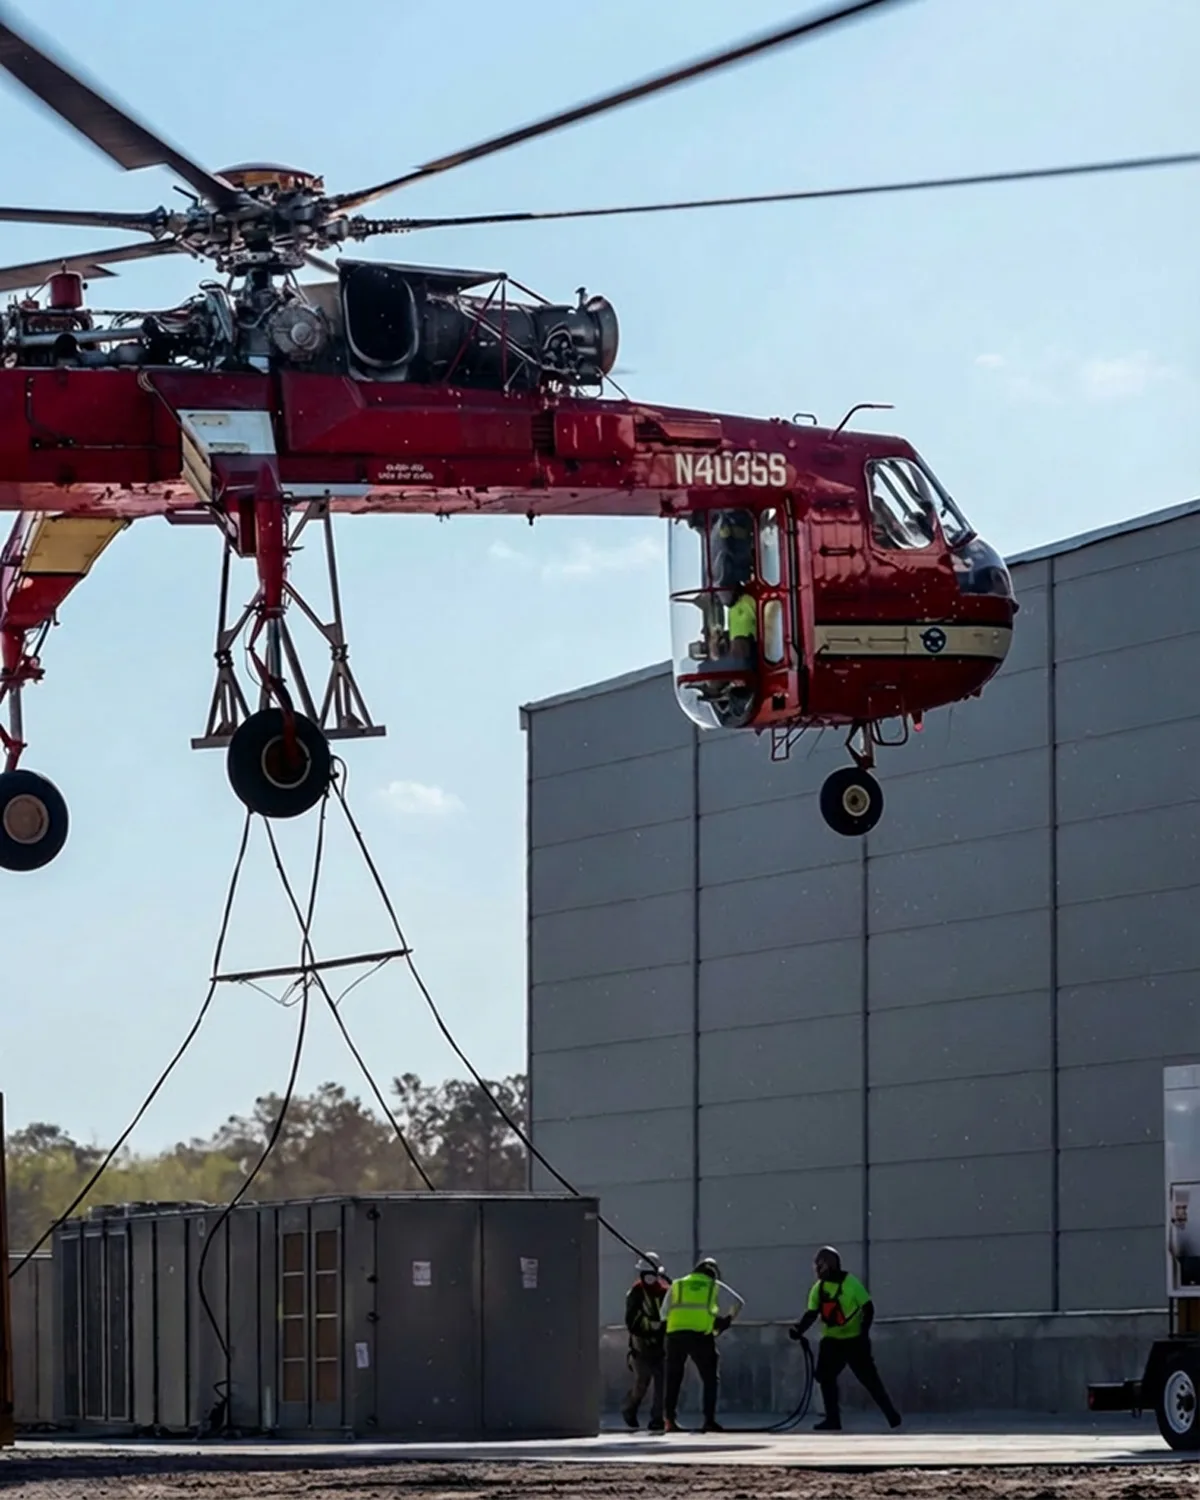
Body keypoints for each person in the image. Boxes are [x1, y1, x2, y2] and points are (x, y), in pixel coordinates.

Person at [789, 1246, 901, 1432]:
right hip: (832, 1341)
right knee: (825, 1378)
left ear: (830, 1264)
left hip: (854, 1341)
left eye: (820, 1265)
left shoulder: (851, 1284)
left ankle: (892, 1416)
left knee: (870, 1380)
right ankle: (833, 1420)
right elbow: (812, 1313)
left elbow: (868, 1308)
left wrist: (863, 1334)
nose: (817, 1269)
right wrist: (798, 1330)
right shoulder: (819, 1288)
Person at [663, 1256, 745, 1434]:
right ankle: (709, 1420)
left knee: (673, 1378)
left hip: (675, 1335)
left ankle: (669, 1420)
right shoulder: (713, 1285)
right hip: (701, 1336)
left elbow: (663, 1313)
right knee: (709, 1379)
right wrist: (725, 1321)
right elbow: (738, 1301)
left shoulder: (677, 1284)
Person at [621, 1253, 670, 1432]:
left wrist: (662, 1329)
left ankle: (657, 1418)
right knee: (642, 1381)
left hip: (661, 1346)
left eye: (651, 1273)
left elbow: (670, 1314)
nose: (648, 1277)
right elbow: (631, 1321)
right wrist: (650, 1327)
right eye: (645, 1273)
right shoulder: (635, 1293)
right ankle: (629, 1408)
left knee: (661, 1383)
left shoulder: (666, 1293)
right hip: (640, 1346)